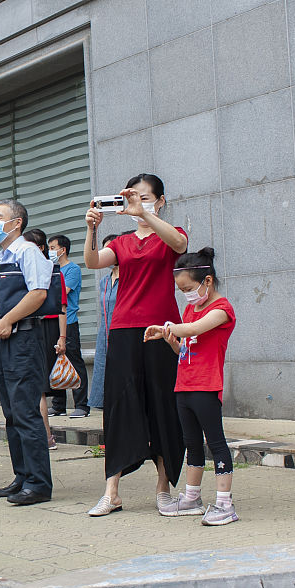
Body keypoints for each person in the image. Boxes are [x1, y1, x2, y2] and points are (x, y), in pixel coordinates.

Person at [83, 174, 188, 518]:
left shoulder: (170, 234)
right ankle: (111, 491)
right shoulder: (122, 243)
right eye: (133, 198)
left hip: (161, 330)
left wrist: (145, 214)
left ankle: (163, 488)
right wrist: (92, 229)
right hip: (124, 329)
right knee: (120, 406)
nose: (137, 203)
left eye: (145, 197)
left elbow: (179, 245)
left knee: (162, 404)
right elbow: (93, 261)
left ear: (160, 201)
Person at [145, 247, 238, 525]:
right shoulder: (189, 309)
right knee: (192, 443)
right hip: (184, 385)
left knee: (216, 442)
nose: (186, 294)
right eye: (181, 290)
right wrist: (171, 340)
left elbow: (195, 329)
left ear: (207, 281)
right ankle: (192, 497)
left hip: (206, 386)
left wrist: (167, 328)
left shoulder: (222, 310)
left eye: (188, 288)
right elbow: (184, 348)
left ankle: (225, 504)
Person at [0, 199, 54, 506]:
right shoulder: (3, 256)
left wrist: (8, 321)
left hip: (24, 336)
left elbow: (38, 293)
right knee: (11, 413)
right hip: (5, 340)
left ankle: (38, 483)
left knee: (26, 412)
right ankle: (22, 476)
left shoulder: (27, 251)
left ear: (17, 223)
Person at [24, 228, 65, 452]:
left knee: (37, 386)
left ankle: (45, 436)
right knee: (35, 386)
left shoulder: (50, 271)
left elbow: (62, 308)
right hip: (31, 327)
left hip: (41, 328)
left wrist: (62, 337)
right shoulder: (46, 269)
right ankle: (42, 436)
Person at [49, 234, 90, 417]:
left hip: (69, 321)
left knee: (74, 361)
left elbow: (61, 293)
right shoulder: (51, 269)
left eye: (53, 248)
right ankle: (58, 405)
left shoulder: (72, 269)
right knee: (55, 362)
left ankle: (81, 405)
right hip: (53, 322)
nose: (50, 252)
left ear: (63, 249)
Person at [88, 235, 120, 412]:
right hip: (105, 335)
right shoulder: (104, 281)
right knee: (103, 373)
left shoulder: (130, 279)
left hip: (122, 334)